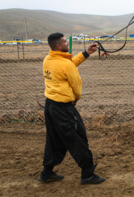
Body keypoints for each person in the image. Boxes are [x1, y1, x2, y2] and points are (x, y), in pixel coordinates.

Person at [39, 32, 105, 184]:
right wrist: (75, 99)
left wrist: (86, 53)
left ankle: (46, 172)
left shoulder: (48, 59)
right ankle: (87, 174)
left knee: (54, 139)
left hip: (50, 106)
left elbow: (69, 64)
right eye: (64, 42)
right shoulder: (65, 64)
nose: (67, 43)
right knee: (78, 138)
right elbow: (77, 87)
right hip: (63, 108)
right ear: (58, 46)